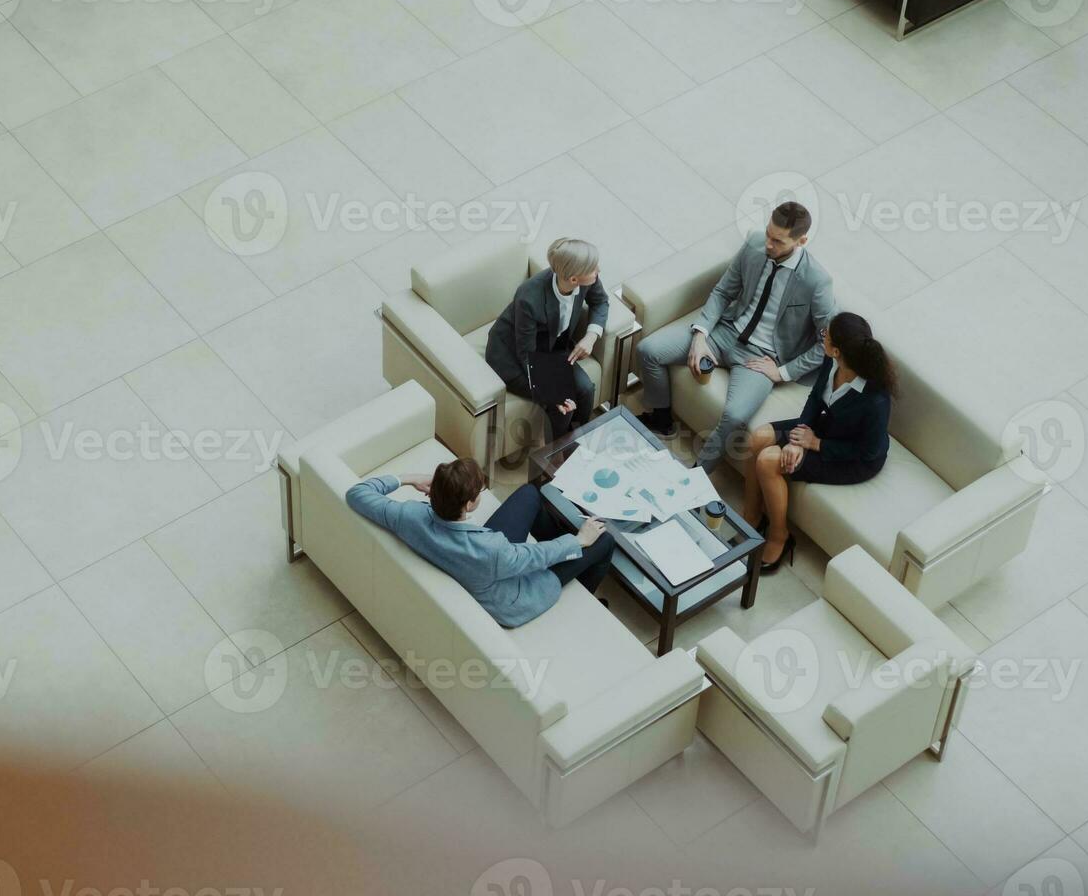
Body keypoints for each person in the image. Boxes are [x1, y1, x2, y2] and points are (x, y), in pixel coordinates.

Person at [635, 202, 837, 470]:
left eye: (778, 241)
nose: (768, 244)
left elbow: (829, 343)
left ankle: (696, 477)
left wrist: (783, 372)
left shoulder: (817, 281)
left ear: (801, 241)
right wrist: (700, 335)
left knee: (735, 414)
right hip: (725, 332)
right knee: (648, 349)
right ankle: (662, 419)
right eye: (768, 233)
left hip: (762, 358)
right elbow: (723, 292)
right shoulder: (755, 243)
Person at [345, 458, 616, 628]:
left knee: (529, 493)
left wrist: (409, 478)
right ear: (468, 503)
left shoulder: (408, 516)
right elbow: (535, 556)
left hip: (469, 558)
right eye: (479, 491)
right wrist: (578, 540)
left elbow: (357, 493)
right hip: (512, 595)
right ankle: (584, 592)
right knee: (603, 543)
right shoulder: (493, 550)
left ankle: (574, 548)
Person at [741, 311, 896, 574]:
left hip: (853, 459)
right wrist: (800, 435)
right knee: (759, 438)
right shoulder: (832, 361)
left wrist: (816, 444)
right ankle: (752, 517)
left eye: (826, 336)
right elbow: (815, 398)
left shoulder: (876, 400)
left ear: (837, 350)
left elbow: (869, 451)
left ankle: (780, 537)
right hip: (827, 428)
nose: (822, 338)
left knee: (768, 461)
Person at [484, 237, 610, 441]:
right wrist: (551, 393)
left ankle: (579, 442)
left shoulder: (587, 278)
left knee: (586, 389)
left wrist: (591, 336)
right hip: (514, 357)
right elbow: (526, 354)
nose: (598, 270)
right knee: (563, 406)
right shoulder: (528, 297)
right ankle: (555, 457)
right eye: (593, 268)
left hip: (552, 349)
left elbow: (601, 302)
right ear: (574, 279)